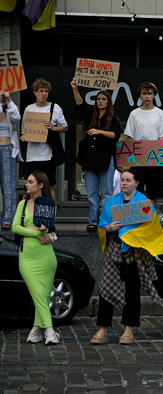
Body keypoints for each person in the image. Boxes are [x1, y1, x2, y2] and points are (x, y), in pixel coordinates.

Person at [91, 169, 163, 345]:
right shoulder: (112, 202)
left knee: (132, 290)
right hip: (115, 249)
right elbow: (102, 224)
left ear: (137, 183)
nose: (124, 183)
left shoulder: (144, 203)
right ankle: (103, 329)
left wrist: (132, 234)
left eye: (128, 180)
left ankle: (129, 329)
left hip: (135, 252)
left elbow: (151, 228)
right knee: (106, 287)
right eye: (122, 180)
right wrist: (110, 228)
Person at [12, 171, 60, 345]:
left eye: (31, 182)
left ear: (41, 185)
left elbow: (49, 232)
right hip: (27, 257)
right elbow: (15, 227)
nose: (27, 184)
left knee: (44, 295)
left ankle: (35, 330)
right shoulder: (22, 204)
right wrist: (35, 233)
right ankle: (50, 330)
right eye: (27, 181)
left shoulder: (49, 205)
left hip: (46, 256)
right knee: (38, 293)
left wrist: (42, 233)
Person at [71, 79, 122, 232]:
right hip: (90, 160)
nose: (100, 101)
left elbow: (116, 135)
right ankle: (92, 220)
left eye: (103, 99)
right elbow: (80, 105)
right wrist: (75, 88)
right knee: (92, 194)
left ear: (108, 102)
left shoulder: (113, 119)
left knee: (106, 193)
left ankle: (105, 221)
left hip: (106, 160)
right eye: (98, 99)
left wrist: (99, 131)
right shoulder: (91, 117)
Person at [123, 82, 163, 206]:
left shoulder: (160, 113)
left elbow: (162, 137)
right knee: (135, 190)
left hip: (154, 157)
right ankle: (136, 221)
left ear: (154, 95)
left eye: (150, 93)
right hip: (138, 157)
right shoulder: (134, 114)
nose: (147, 96)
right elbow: (129, 137)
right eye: (144, 93)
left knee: (152, 192)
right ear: (140, 96)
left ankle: (150, 221)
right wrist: (126, 159)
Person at [21, 79, 68, 200]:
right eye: (41, 91)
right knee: (32, 186)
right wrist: (24, 136)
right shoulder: (29, 109)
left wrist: (53, 128)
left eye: (46, 91)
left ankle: (51, 213)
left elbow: (65, 127)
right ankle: (32, 213)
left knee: (50, 185)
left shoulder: (54, 107)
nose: (44, 93)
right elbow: (24, 130)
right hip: (32, 155)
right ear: (35, 92)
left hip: (48, 155)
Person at [0, 90, 21, 230]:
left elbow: (17, 117)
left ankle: (8, 219)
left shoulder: (10, 111)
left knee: (8, 184)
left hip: (7, 148)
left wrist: (9, 100)